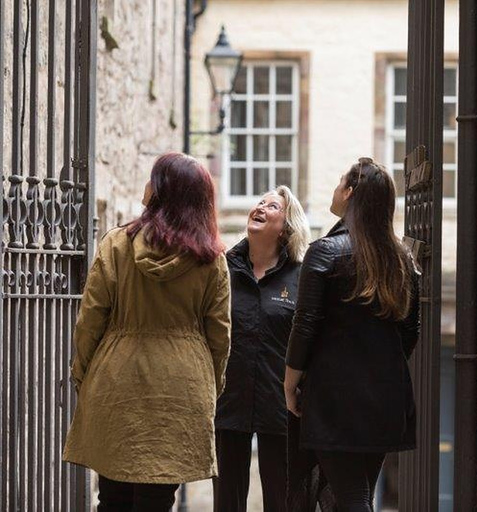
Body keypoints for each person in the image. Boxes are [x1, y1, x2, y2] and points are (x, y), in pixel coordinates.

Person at [63, 152, 231, 511]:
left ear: (163, 190)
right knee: (158, 500)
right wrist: (210, 387)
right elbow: (220, 336)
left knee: (111, 498)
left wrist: (84, 375)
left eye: (153, 179)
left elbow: (90, 318)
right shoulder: (212, 260)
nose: (146, 185)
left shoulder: (116, 244)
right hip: (181, 387)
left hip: (116, 380)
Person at [285, 157, 420, 512]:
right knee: (358, 493)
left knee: (352, 496)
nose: (335, 188)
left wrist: (290, 383)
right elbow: (409, 332)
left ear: (349, 193)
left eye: (339, 182)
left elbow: (305, 325)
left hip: (334, 399)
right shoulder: (402, 259)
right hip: (385, 397)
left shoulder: (324, 253)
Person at [213, 186, 310, 512]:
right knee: (226, 501)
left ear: (286, 227)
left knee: (282, 502)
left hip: (281, 405)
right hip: (228, 401)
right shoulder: (222, 270)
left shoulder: (301, 277)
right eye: (260, 202)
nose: (261, 207)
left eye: (273, 206)